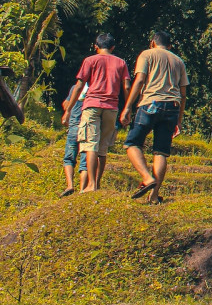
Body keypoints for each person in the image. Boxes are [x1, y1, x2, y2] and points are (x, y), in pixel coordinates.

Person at [122, 31, 187, 204]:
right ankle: (154, 196)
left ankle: (147, 177)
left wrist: (128, 107)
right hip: (172, 107)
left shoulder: (147, 54)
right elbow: (183, 94)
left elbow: (140, 80)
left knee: (132, 143)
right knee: (161, 152)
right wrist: (179, 121)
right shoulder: (178, 61)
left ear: (152, 43)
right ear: (170, 46)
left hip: (150, 103)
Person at [61, 33, 130, 193]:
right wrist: (128, 108)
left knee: (90, 145)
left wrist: (69, 110)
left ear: (96, 47)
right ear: (112, 48)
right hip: (112, 107)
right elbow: (126, 86)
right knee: (102, 148)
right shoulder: (121, 62)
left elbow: (79, 86)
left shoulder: (90, 60)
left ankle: (90, 185)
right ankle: (97, 183)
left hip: (92, 105)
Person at [60, 90, 88, 197]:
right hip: (87, 127)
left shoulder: (74, 88)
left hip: (74, 126)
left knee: (69, 158)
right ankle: (82, 189)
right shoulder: (95, 88)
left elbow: (65, 104)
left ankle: (70, 185)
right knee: (84, 160)